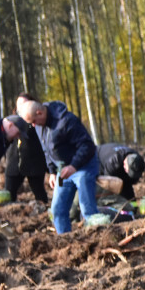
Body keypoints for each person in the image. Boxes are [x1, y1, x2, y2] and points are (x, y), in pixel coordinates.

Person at [20, 99, 99, 233]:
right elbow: (47, 150)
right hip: (63, 172)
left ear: (39, 113)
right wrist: (51, 171)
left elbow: (87, 146)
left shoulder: (66, 121)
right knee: (57, 209)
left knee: (87, 208)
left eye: (33, 121)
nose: (33, 125)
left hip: (83, 168)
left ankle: (96, 239)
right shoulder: (39, 126)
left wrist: (74, 166)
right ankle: (65, 240)